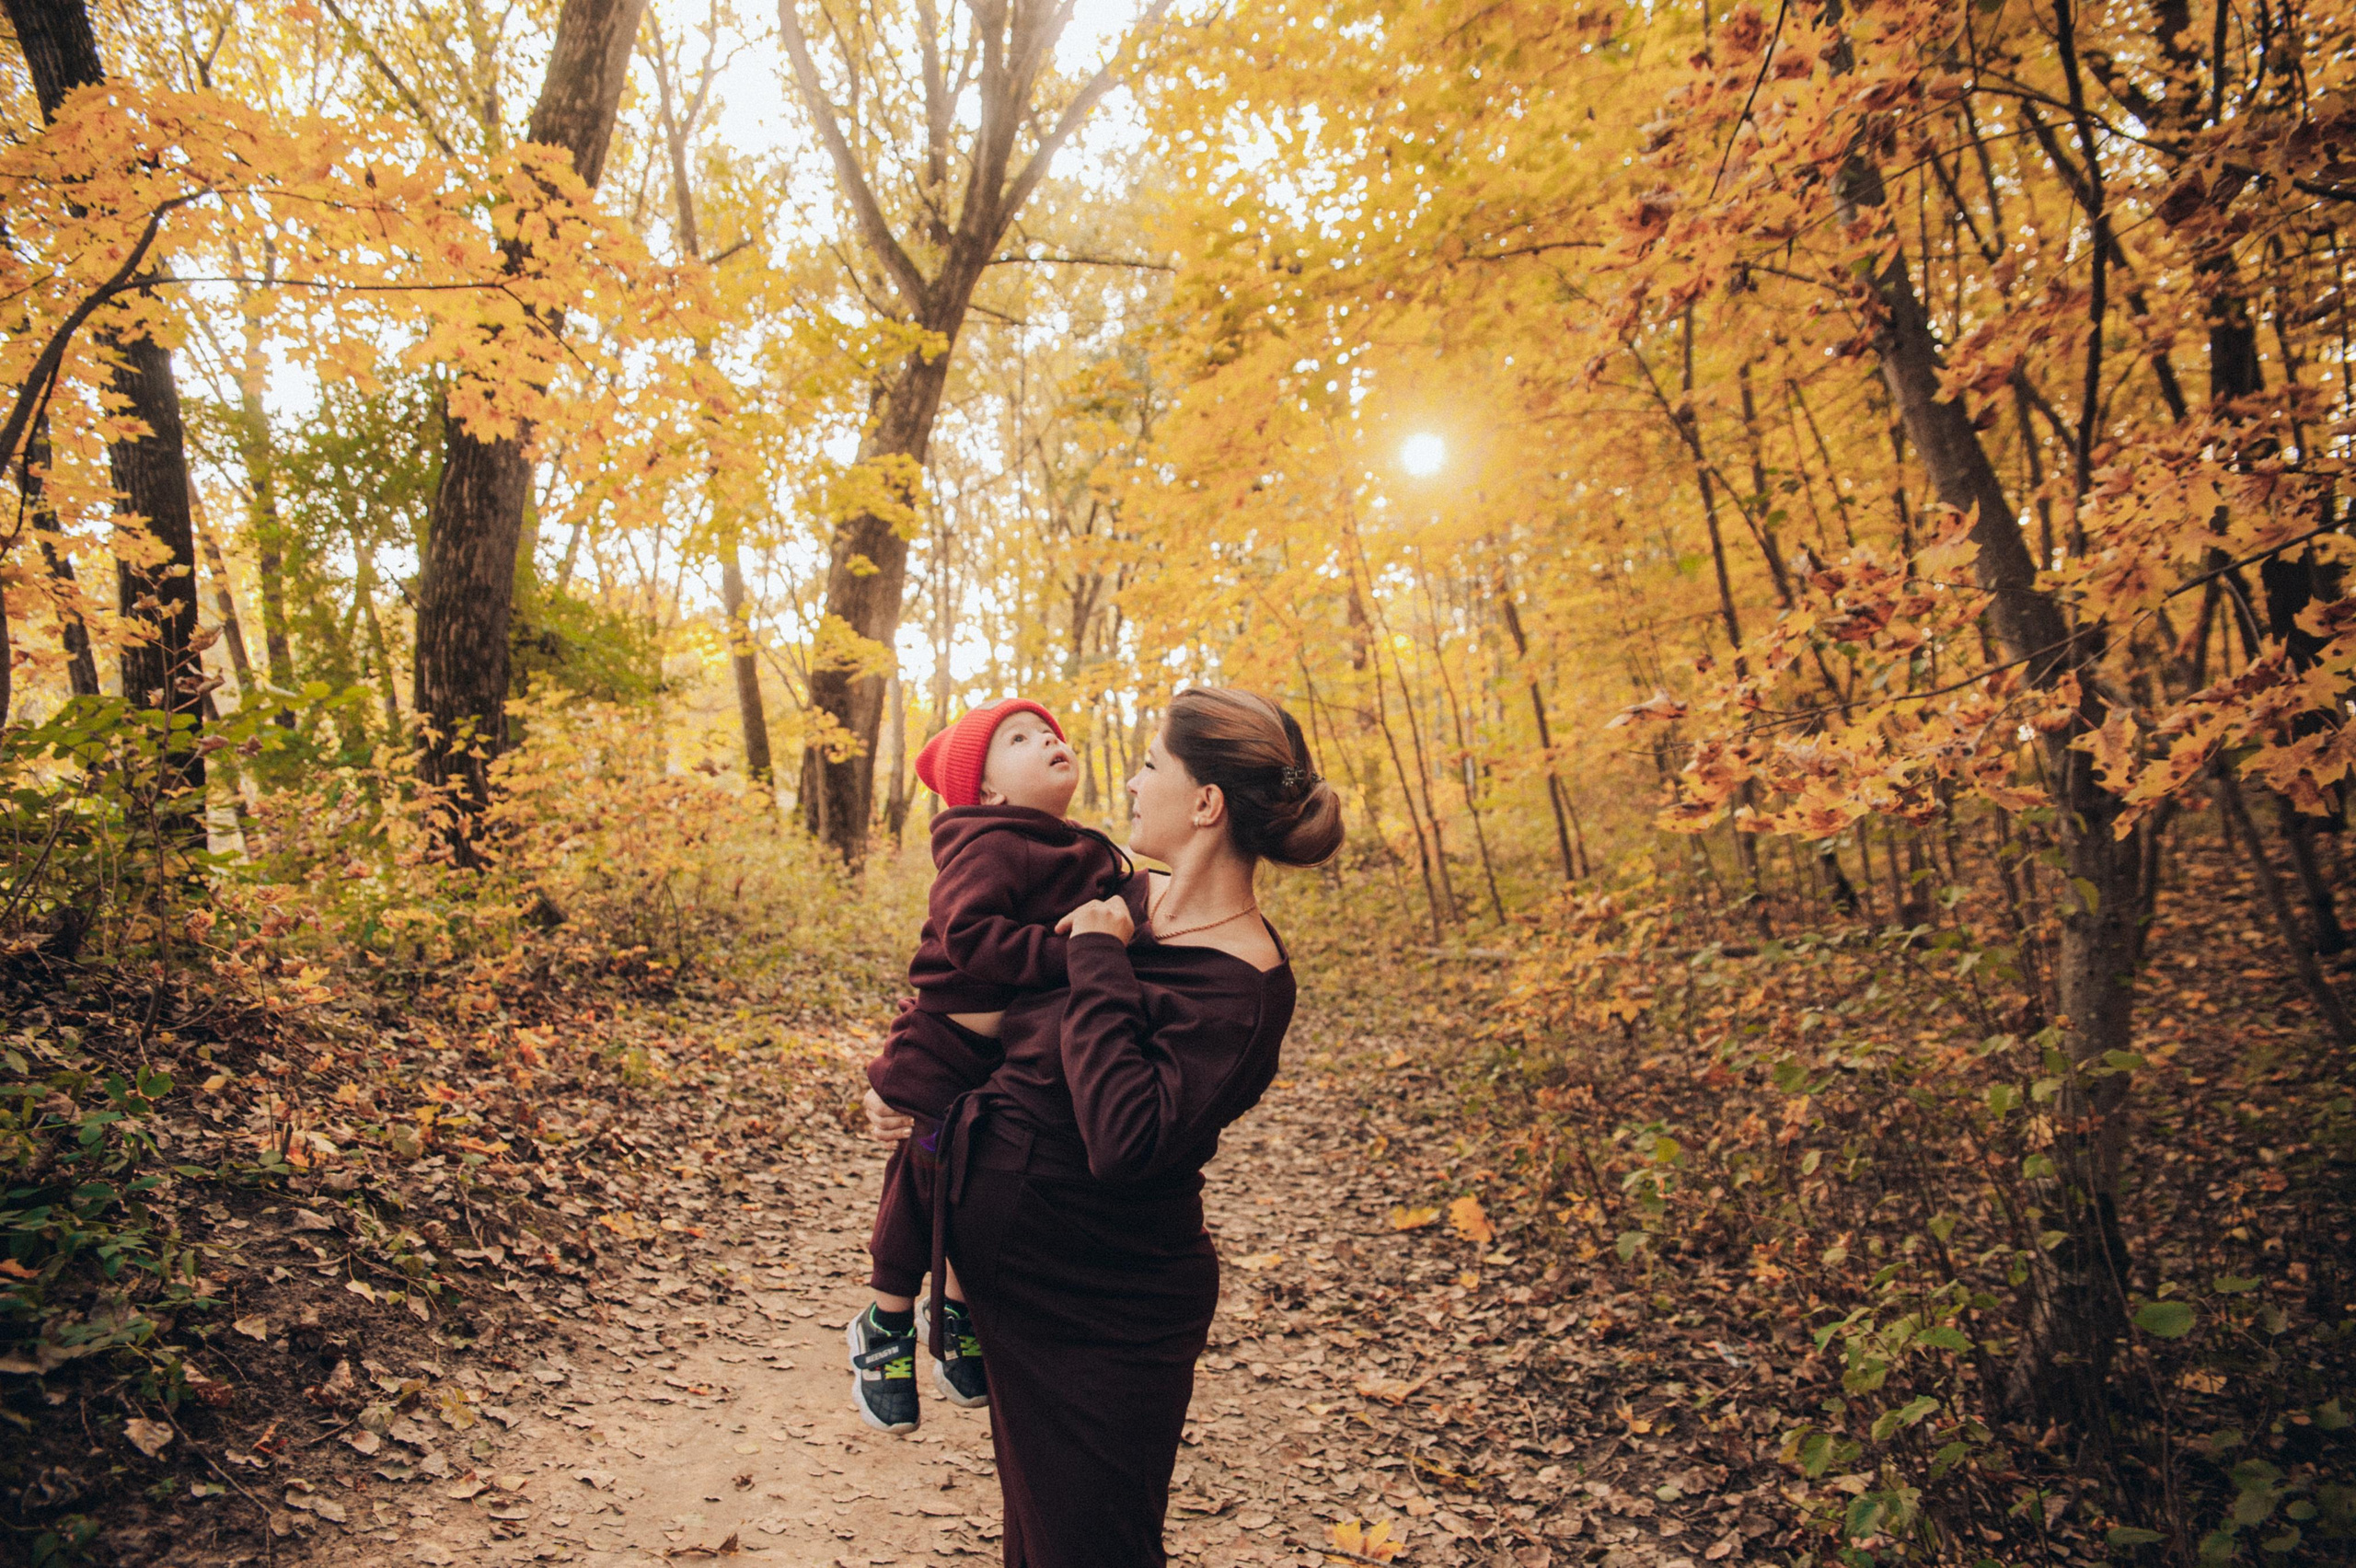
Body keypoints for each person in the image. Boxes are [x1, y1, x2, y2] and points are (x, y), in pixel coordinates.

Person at [864, 686, 1345, 1566]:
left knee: (1094, 1547)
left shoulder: (1240, 989)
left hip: (1104, 1299)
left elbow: (1122, 1138)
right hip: (1009, 1264)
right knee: (1045, 1535)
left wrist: (1093, 960)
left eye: (1151, 764)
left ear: (1206, 804)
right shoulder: (1122, 898)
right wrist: (912, 1062)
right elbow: (980, 982)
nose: (1128, 779)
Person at [846, 698, 1139, 1435]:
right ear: (987, 790)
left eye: (1050, 730)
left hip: (1004, 1056)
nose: (1047, 737)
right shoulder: (989, 843)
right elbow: (970, 936)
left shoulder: (1088, 850)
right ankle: (883, 1324)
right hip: (945, 1042)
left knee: (974, 1178)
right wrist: (1075, 954)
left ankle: (954, 1310)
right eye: (1019, 738)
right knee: (927, 1174)